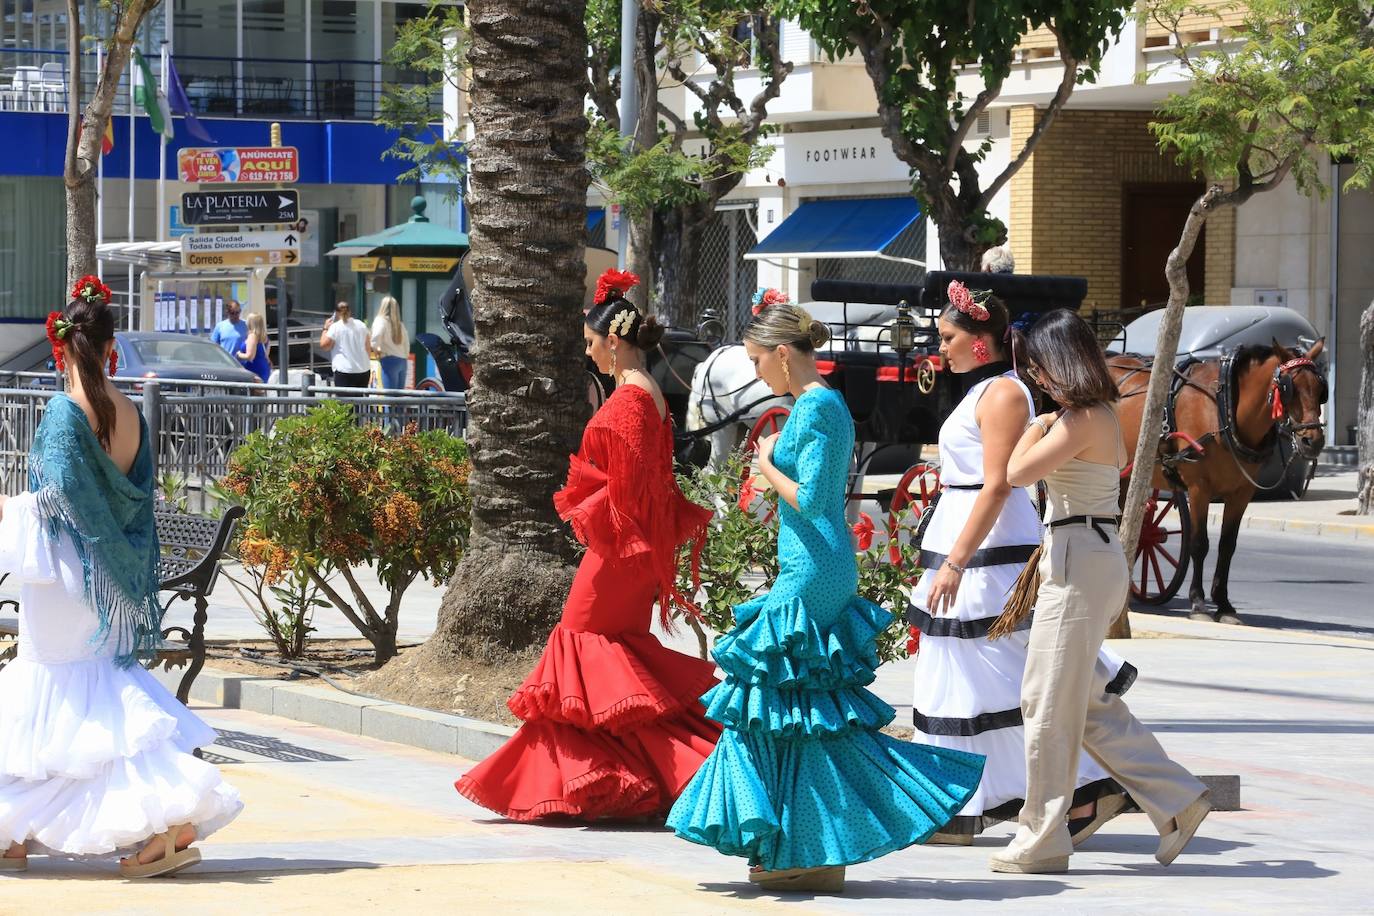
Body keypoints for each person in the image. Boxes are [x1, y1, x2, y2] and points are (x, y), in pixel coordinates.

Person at [667, 302, 985, 894]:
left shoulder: (813, 407)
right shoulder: (823, 404)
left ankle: (805, 843)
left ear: (784, 356)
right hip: (817, 562)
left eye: (760, 362)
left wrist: (765, 465)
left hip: (811, 568)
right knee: (801, 711)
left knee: (775, 703)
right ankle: (805, 846)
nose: (759, 374)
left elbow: (811, 499)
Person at [455, 269, 720, 821]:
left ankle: (629, 777)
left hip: (620, 553)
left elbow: (628, 487)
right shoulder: (648, 394)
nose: (590, 353)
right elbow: (653, 484)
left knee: (578, 646)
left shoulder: (627, 400)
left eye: (592, 344)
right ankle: (658, 773)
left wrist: (587, 500)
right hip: (635, 552)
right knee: (614, 664)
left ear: (615, 342)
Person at [0, 277, 242, 879]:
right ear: (110, 349)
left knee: (53, 704)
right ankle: (23, 835)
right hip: (112, 584)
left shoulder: (62, 412)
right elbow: (132, 502)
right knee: (95, 707)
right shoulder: (131, 411)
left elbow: (56, 504)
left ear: (63, 348)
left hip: (65, 583)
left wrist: (9, 506)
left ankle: (24, 834)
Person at [907, 281, 1134, 847]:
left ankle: (1086, 785)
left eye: (949, 336)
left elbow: (997, 485)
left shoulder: (1004, 395)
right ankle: (967, 800)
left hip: (987, 543)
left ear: (981, 342)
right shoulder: (983, 391)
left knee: (1003, 666)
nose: (942, 347)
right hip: (969, 534)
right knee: (977, 669)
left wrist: (957, 561)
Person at [990, 308, 1210, 875]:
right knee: (1085, 706)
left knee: (1044, 702)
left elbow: (1015, 474)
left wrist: (1035, 425)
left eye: (1041, 369)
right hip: (1089, 557)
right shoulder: (1102, 414)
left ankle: (1042, 836)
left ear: (1062, 363)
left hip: (1076, 563)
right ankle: (1179, 800)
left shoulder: (1077, 418)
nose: (1037, 380)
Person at [319, 301, 371, 389]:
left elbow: (324, 346)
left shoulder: (335, 327)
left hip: (344, 370)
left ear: (336, 313)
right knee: (362, 401)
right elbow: (368, 347)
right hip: (363, 369)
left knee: (345, 401)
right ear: (350, 312)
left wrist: (325, 328)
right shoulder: (361, 325)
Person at [370, 296, 411, 390]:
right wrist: (405, 355)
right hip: (402, 361)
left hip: (389, 360)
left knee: (389, 397)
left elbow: (375, 338)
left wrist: (377, 351)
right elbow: (406, 344)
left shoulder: (380, 320)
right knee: (399, 398)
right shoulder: (399, 324)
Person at [235, 310, 273, 383]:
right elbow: (266, 356)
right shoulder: (264, 337)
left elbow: (250, 357)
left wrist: (239, 354)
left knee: (254, 392)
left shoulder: (252, 336)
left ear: (250, 323)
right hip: (263, 368)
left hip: (254, 370)